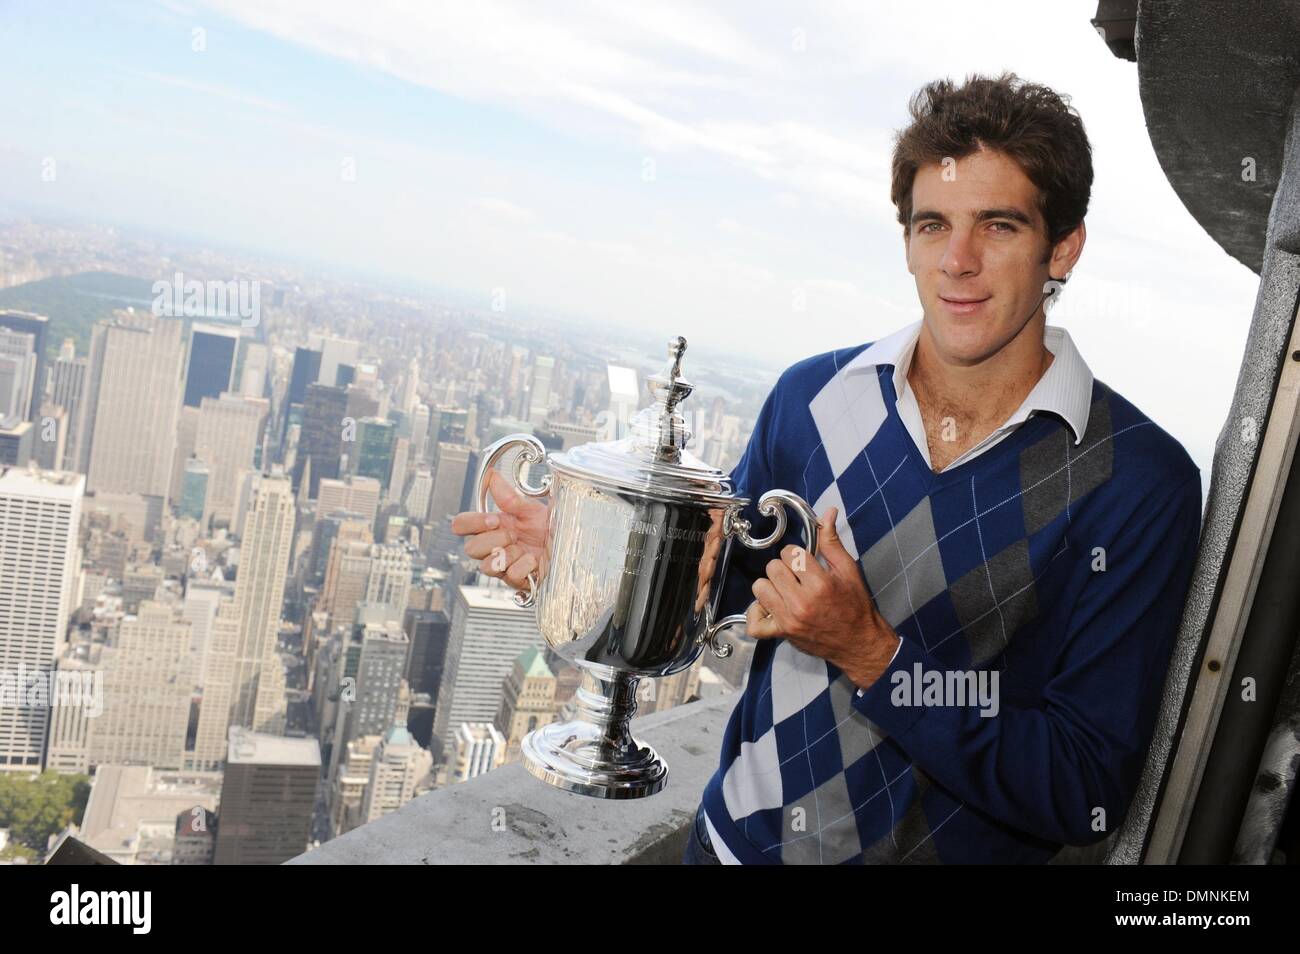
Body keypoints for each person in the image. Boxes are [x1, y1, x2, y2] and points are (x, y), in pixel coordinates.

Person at [453, 71, 1204, 865]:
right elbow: (725, 592)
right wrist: (592, 564)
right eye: (931, 225)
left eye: (999, 227)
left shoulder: (1137, 482)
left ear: (1063, 247)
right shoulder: (811, 398)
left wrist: (874, 656)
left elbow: (1083, 784)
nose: (957, 260)